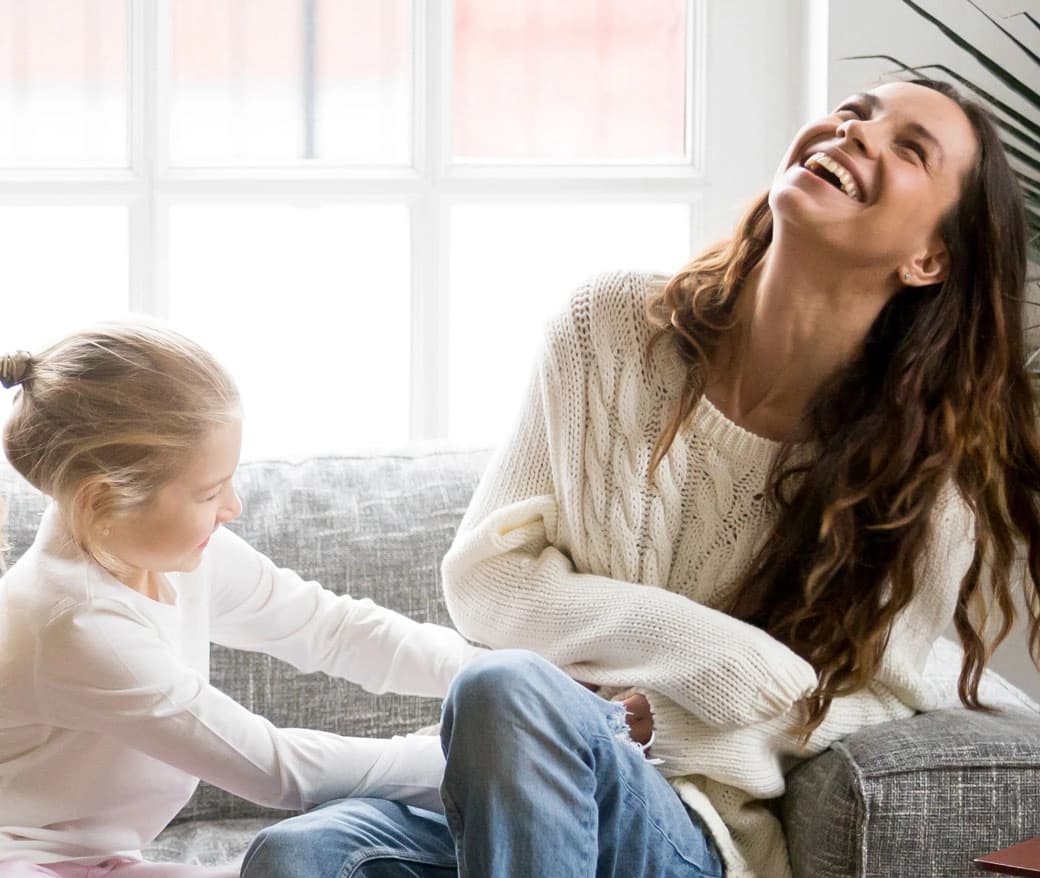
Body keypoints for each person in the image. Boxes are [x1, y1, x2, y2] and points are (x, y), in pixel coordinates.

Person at [240, 78, 1039, 878]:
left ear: (929, 258)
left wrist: (659, 724)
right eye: (855, 112)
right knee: (297, 855)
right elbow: (485, 579)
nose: (856, 132)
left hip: (687, 828)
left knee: (505, 687)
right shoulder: (613, 329)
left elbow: (875, 695)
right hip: (503, 787)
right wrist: (714, 654)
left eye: (909, 147)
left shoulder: (927, 474)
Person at [0, 324, 483, 878]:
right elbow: (272, 769)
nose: (231, 507)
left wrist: (489, 671)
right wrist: (467, 759)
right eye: (210, 492)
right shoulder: (77, 623)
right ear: (103, 502)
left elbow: (329, 629)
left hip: (84, 860)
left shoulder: (186, 557)